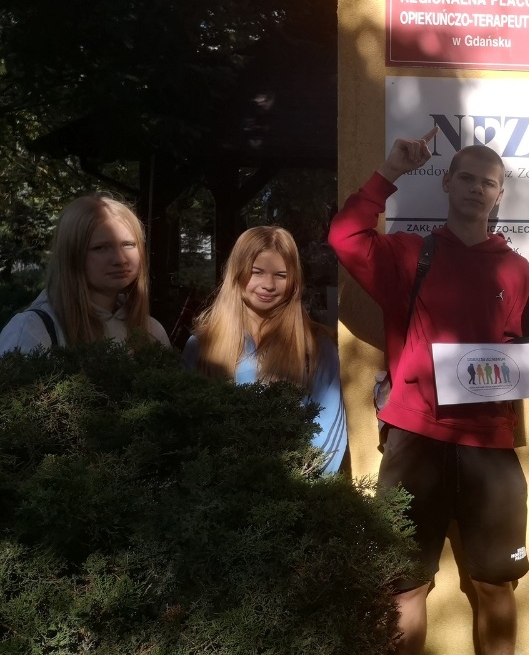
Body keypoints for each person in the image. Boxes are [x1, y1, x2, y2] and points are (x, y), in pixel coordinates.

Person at [329, 131, 529, 655]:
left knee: (495, 582)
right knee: (404, 582)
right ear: (446, 184)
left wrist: (523, 362)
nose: (476, 189)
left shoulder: (515, 268)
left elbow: (522, 343)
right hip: (415, 440)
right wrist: (388, 171)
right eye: (466, 178)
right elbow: (344, 237)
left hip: (489, 445)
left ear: (499, 196)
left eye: (488, 182)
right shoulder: (409, 254)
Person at [181, 226, 347, 474]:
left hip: (293, 488)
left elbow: (327, 434)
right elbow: (186, 425)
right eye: (257, 272)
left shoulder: (317, 346)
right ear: (237, 272)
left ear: (294, 282)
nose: (268, 285)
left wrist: (288, 482)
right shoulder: (201, 345)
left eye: (281, 275)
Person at [0, 195, 168, 354]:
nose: (119, 259)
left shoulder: (151, 331)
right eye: (100, 248)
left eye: (128, 244)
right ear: (71, 254)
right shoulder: (32, 330)